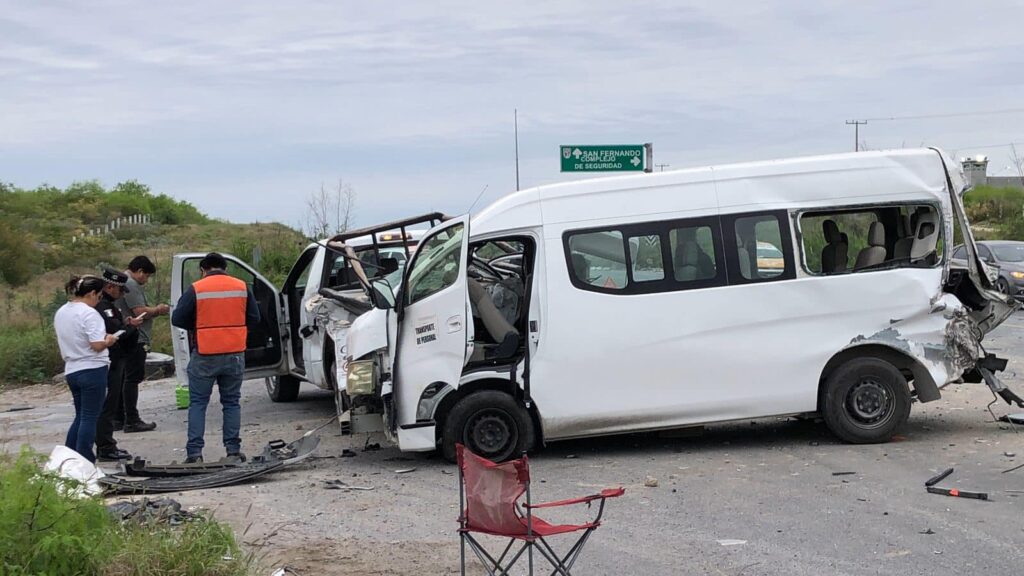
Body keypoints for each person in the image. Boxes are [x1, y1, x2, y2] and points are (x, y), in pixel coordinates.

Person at [171, 252, 260, 463]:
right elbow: (255, 318)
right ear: (225, 268)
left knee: (198, 403)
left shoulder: (196, 288)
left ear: (203, 270)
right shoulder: (241, 286)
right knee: (231, 403)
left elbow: (177, 318)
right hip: (234, 353)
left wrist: (199, 326)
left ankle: (195, 454)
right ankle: (233, 451)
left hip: (205, 353)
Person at [53, 275, 120, 463]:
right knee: (91, 417)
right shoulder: (90, 313)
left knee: (81, 415)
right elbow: (97, 345)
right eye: (99, 297)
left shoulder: (62, 311)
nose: (98, 301)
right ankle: (85, 457)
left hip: (72, 368)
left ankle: (68, 455)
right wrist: (109, 340)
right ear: (92, 293)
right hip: (92, 367)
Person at [94, 268, 143, 461]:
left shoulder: (109, 306)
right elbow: (115, 332)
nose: (122, 295)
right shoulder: (103, 307)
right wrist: (129, 327)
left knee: (110, 404)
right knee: (108, 406)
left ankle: (107, 444)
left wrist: (126, 324)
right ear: (110, 287)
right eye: (120, 291)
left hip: (115, 359)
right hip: (111, 360)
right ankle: (105, 447)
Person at [119, 255, 169, 432]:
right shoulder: (130, 284)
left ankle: (120, 417)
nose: (146, 280)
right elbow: (139, 312)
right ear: (139, 271)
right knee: (132, 378)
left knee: (123, 377)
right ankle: (132, 419)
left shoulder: (123, 281)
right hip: (135, 338)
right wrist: (158, 310)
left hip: (125, 338)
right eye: (146, 276)